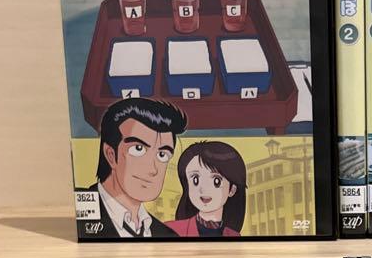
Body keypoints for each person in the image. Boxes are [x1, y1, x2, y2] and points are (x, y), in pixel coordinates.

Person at [78, 97, 186, 238]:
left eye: (162, 155)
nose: (153, 169)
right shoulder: (81, 213)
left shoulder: (166, 234)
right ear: (111, 155)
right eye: (138, 149)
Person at [165, 140, 247, 238]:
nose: (203, 190)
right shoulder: (171, 230)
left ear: (232, 189)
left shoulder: (234, 236)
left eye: (216, 181)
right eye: (195, 179)